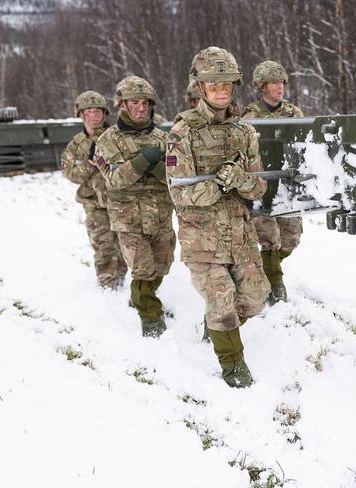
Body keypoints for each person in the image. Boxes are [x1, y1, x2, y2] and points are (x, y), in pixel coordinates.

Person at [166, 47, 270, 388]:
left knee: (255, 299)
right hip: (203, 239)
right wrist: (220, 185)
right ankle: (233, 364)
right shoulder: (182, 134)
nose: (221, 90)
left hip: (240, 235)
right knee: (222, 299)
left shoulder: (245, 132)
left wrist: (243, 181)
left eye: (227, 83)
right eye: (213, 84)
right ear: (200, 86)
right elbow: (180, 195)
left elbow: (258, 188)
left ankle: (217, 324)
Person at [93, 76, 176, 337]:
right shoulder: (108, 140)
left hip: (161, 215)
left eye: (145, 103)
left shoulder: (164, 137)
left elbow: (177, 176)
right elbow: (116, 179)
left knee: (163, 265)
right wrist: (144, 161)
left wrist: (157, 169)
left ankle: (144, 295)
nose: (141, 108)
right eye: (134, 102)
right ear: (122, 105)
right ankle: (151, 319)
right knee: (142, 268)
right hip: (128, 218)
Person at [241, 60, 304, 305]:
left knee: (291, 238)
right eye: (274, 82)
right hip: (262, 185)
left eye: (281, 81)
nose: (280, 86)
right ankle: (275, 283)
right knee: (269, 239)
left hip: (287, 185)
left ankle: (264, 267)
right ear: (262, 86)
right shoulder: (250, 115)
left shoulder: (293, 113)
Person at [61, 91, 127, 289]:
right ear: (81, 115)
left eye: (99, 111)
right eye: (90, 111)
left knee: (123, 244)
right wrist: (90, 165)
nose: (95, 115)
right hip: (93, 204)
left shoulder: (117, 136)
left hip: (119, 200)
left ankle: (122, 280)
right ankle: (108, 284)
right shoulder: (76, 145)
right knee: (103, 245)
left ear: (105, 113)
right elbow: (69, 172)